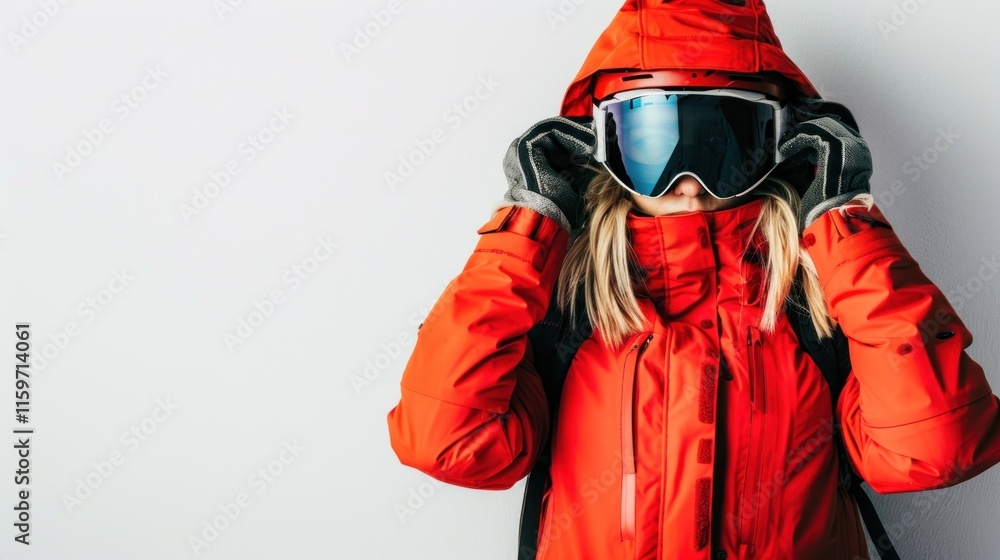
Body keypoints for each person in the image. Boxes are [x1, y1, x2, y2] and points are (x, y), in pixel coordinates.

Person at [386, 1, 1000, 558]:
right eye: (654, 144)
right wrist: (529, 224)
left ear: (780, 144)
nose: (687, 180)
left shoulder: (821, 301)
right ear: (602, 146)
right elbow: (446, 441)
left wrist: (845, 220)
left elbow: (936, 451)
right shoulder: (563, 305)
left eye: (719, 144)